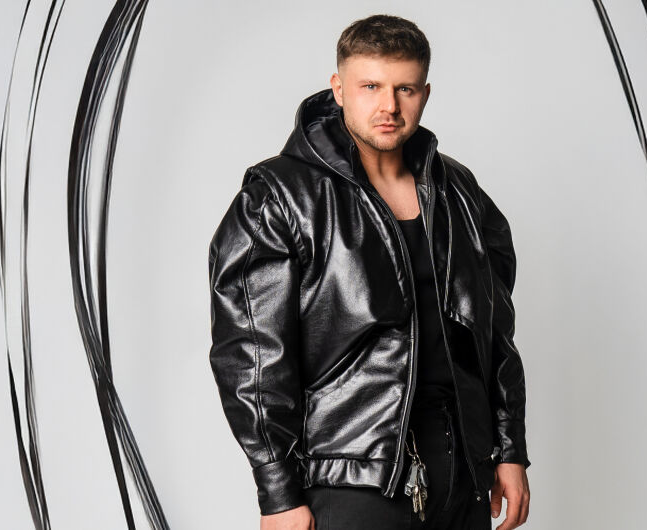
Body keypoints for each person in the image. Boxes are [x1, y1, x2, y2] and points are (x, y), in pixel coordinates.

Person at [208, 14, 530, 530]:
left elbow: (494, 332)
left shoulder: (458, 191)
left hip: (462, 470)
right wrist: (277, 490)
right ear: (338, 88)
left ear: (425, 93)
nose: (389, 107)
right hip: (349, 476)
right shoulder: (280, 196)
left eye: (405, 89)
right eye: (371, 86)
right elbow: (252, 356)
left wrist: (509, 449)